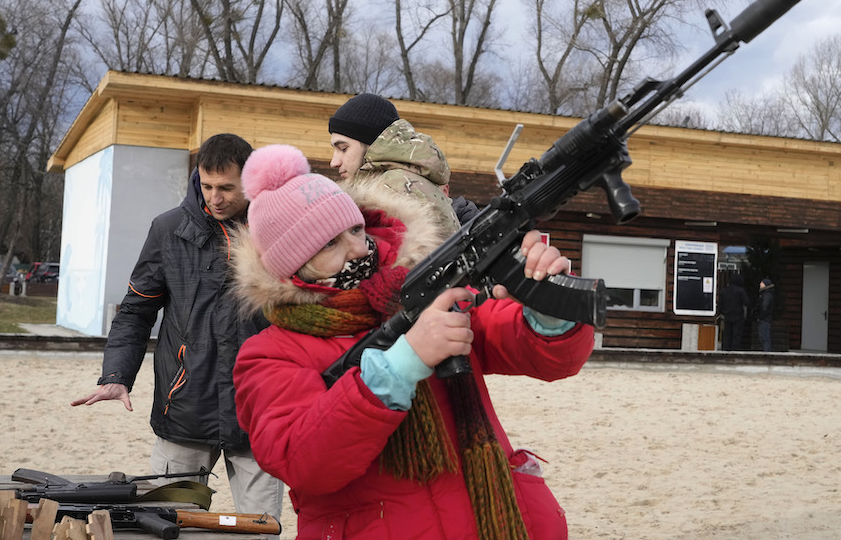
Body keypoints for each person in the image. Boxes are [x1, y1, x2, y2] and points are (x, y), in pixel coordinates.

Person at [229, 144, 594, 539]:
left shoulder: (418, 291)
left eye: (355, 229)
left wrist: (547, 307)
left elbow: (540, 353)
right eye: (329, 245)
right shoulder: (269, 353)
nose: (359, 247)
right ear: (292, 268)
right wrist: (398, 367)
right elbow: (302, 462)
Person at [71, 133, 284, 522]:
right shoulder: (167, 229)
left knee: (262, 529)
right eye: (206, 186)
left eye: (226, 188)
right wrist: (118, 374)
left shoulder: (281, 231)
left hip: (259, 411)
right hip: (184, 407)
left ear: (251, 181)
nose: (214, 197)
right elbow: (136, 311)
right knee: (167, 524)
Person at [328, 92, 479, 231]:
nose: (334, 162)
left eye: (343, 149)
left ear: (373, 146)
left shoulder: (391, 190)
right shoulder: (406, 181)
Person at [717, 273, 750, 351]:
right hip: (738, 316)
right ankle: (735, 351)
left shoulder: (724, 291)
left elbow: (720, 305)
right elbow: (746, 302)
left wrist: (721, 312)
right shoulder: (741, 291)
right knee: (736, 335)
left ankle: (725, 350)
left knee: (727, 335)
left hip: (727, 316)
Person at [752, 278, 775, 352]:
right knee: (764, 337)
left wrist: (760, 317)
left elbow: (764, 307)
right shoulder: (766, 294)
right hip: (765, 319)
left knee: (764, 337)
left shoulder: (766, 295)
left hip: (764, 319)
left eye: (762, 283)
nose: (760, 284)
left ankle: (767, 353)